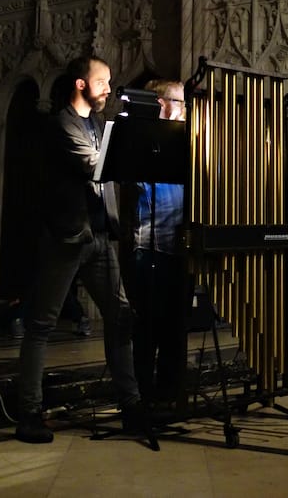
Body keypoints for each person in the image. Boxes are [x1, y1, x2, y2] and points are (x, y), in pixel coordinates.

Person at [15, 55, 143, 444]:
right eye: (102, 82)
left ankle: (132, 406)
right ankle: (29, 413)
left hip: (100, 237)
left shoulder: (99, 124)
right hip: (67, 238)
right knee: (41, 325)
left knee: (120, 315)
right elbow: (94, 166)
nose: (109, 88)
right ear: (81, 84)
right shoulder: (62, 124)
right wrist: (133, 147)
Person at [131, 79, 193, 408]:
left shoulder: (189, 140)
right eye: (180, 102)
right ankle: (142, 396)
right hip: (152, 247)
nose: (186, 109)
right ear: (161, 103)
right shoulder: (145, 139)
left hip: (181, 247)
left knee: (175, 330)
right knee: (148, 329)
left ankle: (172, 395)